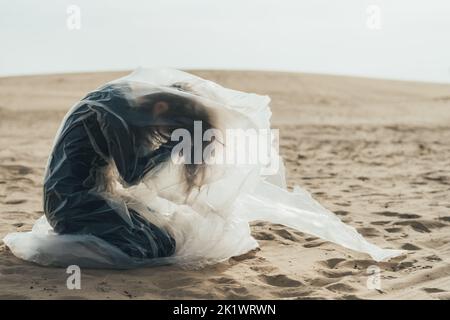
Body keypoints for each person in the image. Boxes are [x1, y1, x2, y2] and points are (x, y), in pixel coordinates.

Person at [43, 82, 213, 260]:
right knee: (159, 246)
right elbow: (132, 174)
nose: (160, 132)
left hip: (78, 195)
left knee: (164, 234)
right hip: (71, 202)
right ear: (161, 107)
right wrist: (175, 143)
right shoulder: (118, 109)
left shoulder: (120, 101)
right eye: (168, 128)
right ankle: (80, 244)